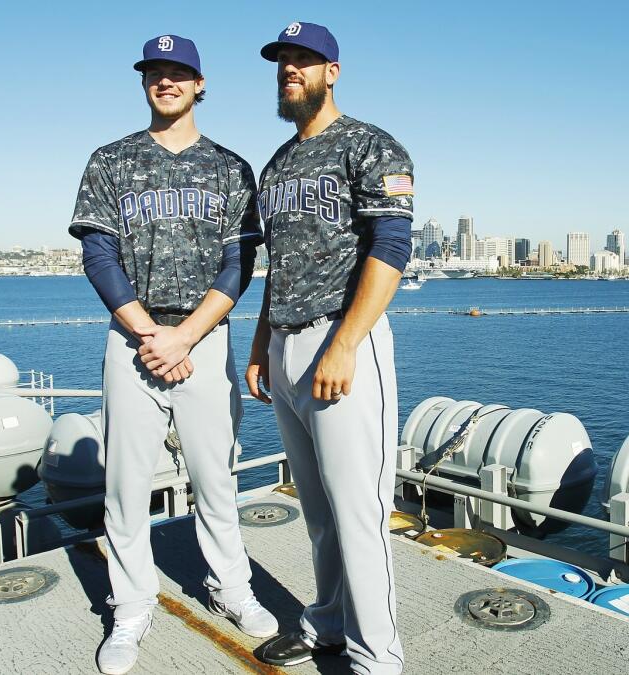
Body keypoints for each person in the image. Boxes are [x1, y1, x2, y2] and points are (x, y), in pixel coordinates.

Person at [68, 34, 278, 675]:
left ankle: (231, 589)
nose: (167, 81)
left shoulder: (230, 167)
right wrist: (148, 335)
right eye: (155, 72)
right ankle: (130, 608)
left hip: (203, 341)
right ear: (144, 84)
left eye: (178, 72)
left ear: (200, 84)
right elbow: (98, 256)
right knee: (126, 487)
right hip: (133, 339)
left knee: (216, 479)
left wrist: (184, 336)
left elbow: (239, 262)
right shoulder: (111, 161)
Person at [245, 21, 413, 675]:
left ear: (332, 71)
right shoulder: (277, 164)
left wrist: (345, 344)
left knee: (359, 513)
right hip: (286, 349)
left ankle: (377, 661)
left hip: (341, 343)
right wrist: (260, 346)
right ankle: (329, 626)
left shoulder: (372, 145)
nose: (290, 69)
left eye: (303, 60)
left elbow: (390, 250)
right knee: (318, 511)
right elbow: (277, 267)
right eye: (283, 60)